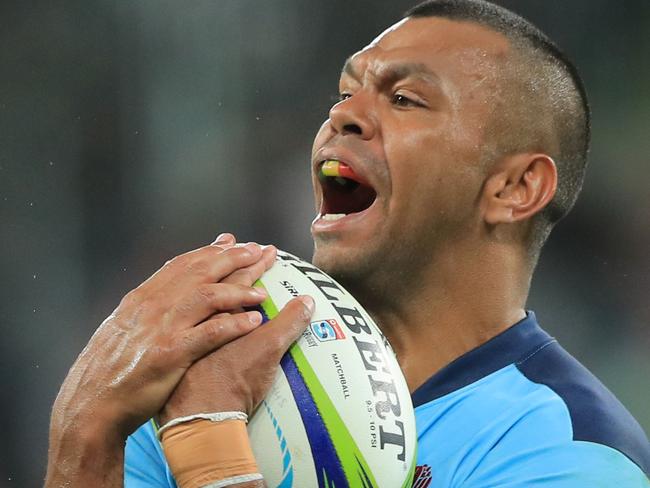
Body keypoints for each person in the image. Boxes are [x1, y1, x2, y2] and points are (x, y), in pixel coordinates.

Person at [45, 0, 650, 487]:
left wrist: (211, 451)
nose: (343, 116)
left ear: (515, 187)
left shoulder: (567, 456)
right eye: (344, 93)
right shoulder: (217, 374)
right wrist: (84, 435)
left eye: (405, 99)